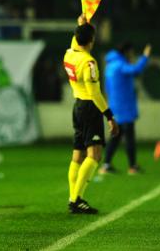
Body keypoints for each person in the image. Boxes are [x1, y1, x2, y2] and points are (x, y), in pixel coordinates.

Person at [63, 14, 119, 214]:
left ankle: (73, 197)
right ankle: (77, 199)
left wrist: (81, 25)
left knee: (77, 155)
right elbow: (95, 94)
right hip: (89, 108)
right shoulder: (89, 63)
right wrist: (110, 116)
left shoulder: (69, 54)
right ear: (92, 41)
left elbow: (76, 41)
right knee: (94, 155)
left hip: (77, 106)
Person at [99, 42, 152, 175]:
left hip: (115, 107)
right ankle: (132, 166)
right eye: (131, 53)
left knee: (116, 138)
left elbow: (107, 88)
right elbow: (135, 70)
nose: (132, 56)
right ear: (127, 52)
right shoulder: (120, 65)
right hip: (125, 108)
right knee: (129, 138)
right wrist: (145, 56)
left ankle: (106, 165)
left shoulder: (110, 66)